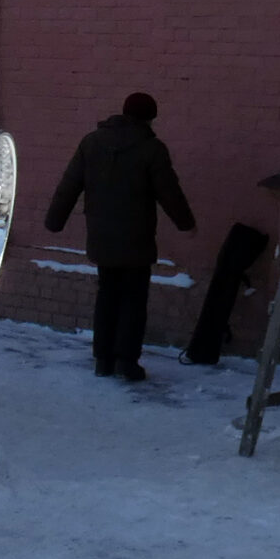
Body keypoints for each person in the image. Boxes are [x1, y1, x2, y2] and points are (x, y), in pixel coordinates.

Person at [45, 92, 196, 382]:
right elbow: (169, 192)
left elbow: (69, 185)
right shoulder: (152, 149)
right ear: (149, 118)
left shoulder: (92, 143)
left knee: (107, 294)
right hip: (136, 237)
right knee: (134, 299)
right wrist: (185, 224)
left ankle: (103, 359)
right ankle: (127, 361)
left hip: (101, 236)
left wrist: (54, 221)